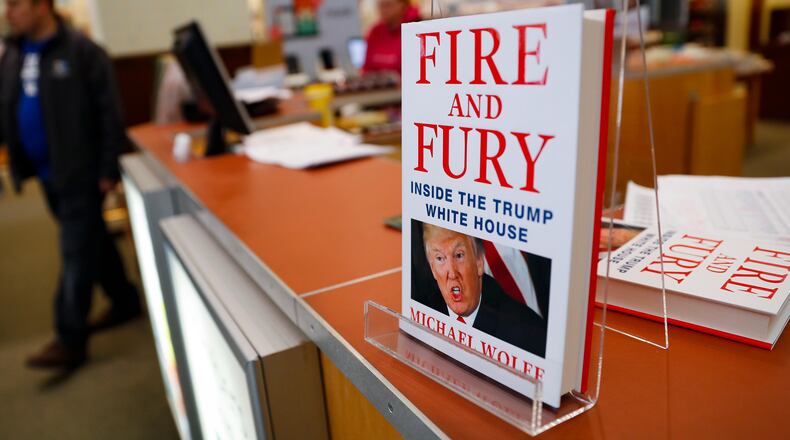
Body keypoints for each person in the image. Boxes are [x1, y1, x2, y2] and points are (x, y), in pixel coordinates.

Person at [0, 0, 140, 369]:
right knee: (91, 239)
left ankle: (69, 338)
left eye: (15, 5)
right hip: (47, 174)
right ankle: (124, 300)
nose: (7, 13)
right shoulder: (14, 55)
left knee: (75, 252)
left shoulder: (83, 52)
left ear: (41, 6)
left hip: (81, 172)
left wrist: (107, 167)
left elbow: (110, 113)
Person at [420, 224, 547, 357]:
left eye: (459, 255)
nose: (452, 273)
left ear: (479, 262)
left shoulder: (528, 334)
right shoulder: (422, 311)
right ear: (432, 269)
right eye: (440, 258)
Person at [362, 0, 420, 74]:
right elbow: (367, 68)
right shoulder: (375, 32)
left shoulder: (417, 29)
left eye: (388, 5)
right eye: (380, 6)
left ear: (402, 5)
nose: (383, 10)